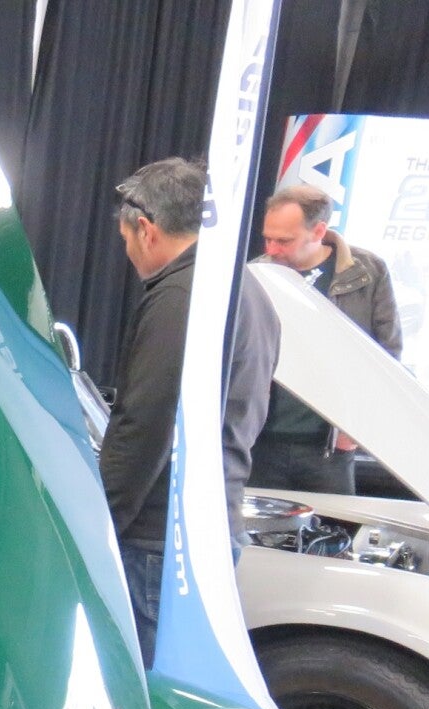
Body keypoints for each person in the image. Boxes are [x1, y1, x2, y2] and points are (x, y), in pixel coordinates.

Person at [98, 158, 280, 666]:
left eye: (127, 240)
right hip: (213, 526)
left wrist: (98, 521)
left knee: (143, 688)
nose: (129, 254)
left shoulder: (181, 296)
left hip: (160, 542)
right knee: (182, 685)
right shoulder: (247, 289)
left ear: (146, 229)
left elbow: (145, 429)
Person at [250, 182, 401, 494]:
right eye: (268, 238)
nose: (272, 249)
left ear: (318, 231)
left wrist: (357, 427)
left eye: (284, 241)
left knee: (334, 523)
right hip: (261, 440)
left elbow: (388, 355)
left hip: (329, 446)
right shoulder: (255, 276)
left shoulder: (366, 272)